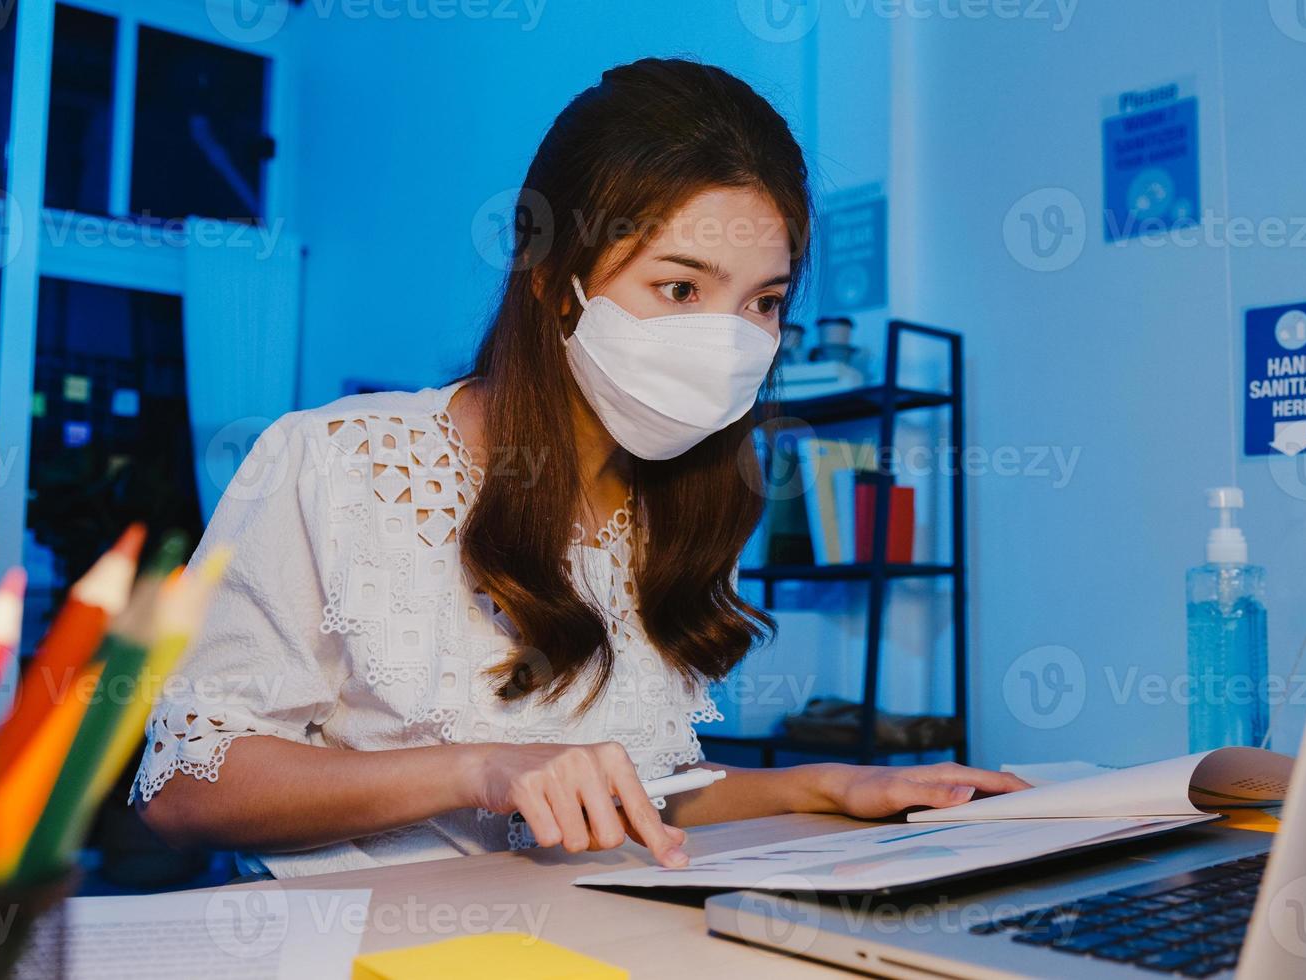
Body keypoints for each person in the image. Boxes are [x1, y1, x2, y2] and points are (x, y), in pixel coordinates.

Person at [133, 57, 1025, 879]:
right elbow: (185, 790)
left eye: (763, 301)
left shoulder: (682, 505)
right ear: (554, 277)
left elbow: (634, 788)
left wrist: (821, 785)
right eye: (680, 287)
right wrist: (476, 769)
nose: (726, 340)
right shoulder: (333, 461)